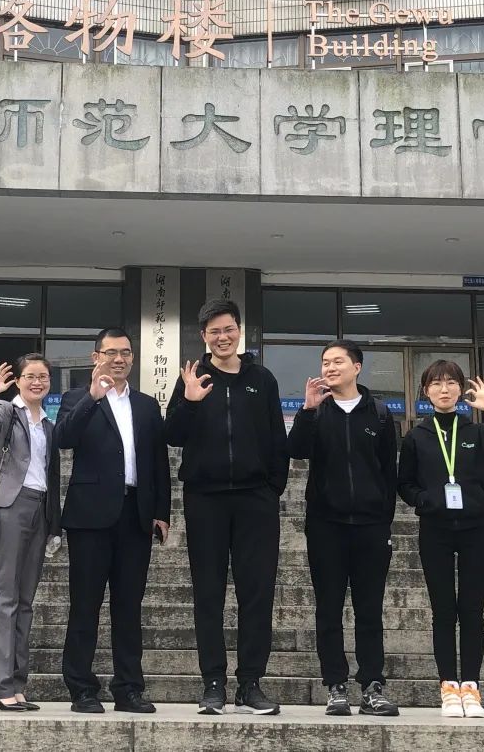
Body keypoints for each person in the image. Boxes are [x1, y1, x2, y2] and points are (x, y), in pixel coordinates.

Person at [166, 299, 289, 716]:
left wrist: (272, 489)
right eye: (214, 331)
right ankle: (213, 683)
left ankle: (250, 683)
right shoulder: (194, 377)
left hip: (256, 500)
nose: (223, 337)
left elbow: (277, 439)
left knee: (257, 592)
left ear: (240, 331)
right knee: (208, 593)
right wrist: (190, 401)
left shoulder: (262, 379)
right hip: (206, 499)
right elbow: (172, 435)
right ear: (204, 336)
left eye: (229, 329)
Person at [397, 360, 484, 719]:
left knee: (471, 609)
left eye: (451, 382)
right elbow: (404, 483)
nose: (444, 389)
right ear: (425, 391)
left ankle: (471, 685)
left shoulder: (478, 432)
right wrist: (424, 500)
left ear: (460, 389)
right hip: (435, 529)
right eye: (436, 383)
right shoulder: (417, 435)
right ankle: (448, 687)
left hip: (474, 529)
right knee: (443, 610)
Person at [55, 327, 171, 715]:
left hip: (135, 515)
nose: (118, 359)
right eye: (110, 353)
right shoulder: (77, 398)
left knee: (129, 607)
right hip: (90, 516)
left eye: (125, 353)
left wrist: (161, 511)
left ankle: (129, 688)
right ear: (96, 357)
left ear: (133, 358)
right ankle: (81, 688)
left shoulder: (146, 405)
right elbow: (63, 438)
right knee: (84, 605)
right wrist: (92, 396)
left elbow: (158, 462)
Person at [287, 339, 400, 717]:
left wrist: (383, 520)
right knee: (328, 608)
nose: (330, 368)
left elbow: (388, 473)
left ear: (357, 367)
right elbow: (296, 450)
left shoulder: (379, 414)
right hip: (326, 526)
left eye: (338, 361)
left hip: (370, 527)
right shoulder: (318, 412)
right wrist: (307, 410)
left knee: (370, 610)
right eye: (325, 362)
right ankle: (335, 685)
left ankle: (372, 686)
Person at [0, 354, 61, 712]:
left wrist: (55, 524)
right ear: (18, 381)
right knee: (6, 598)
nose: (37, 382)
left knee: (25, 601)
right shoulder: (6, 411)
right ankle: (0, 685)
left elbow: (52, 476)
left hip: (40, 508)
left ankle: (18, 684)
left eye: (43, 376)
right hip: (10, 506)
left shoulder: (48, 424)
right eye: (30, 376)